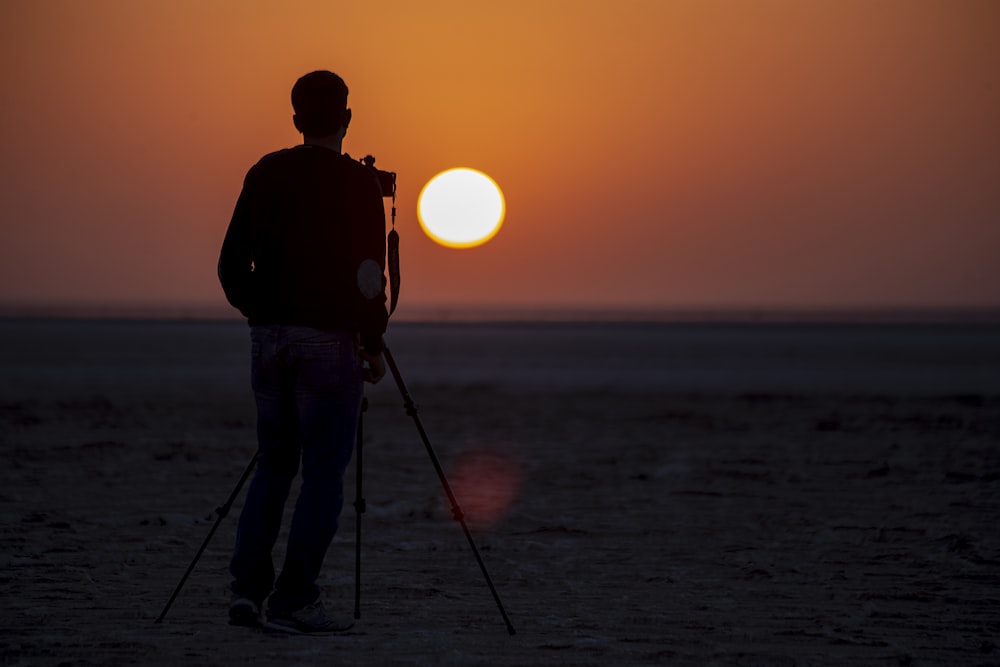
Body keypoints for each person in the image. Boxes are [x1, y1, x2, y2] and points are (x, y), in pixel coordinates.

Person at [218, 70, 389, 634]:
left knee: (273, 465)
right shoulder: (358, 186)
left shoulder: (265, 172)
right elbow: (369, 278)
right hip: (328, 344)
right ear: (346, 118)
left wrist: (260, 313)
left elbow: (229, 266)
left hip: (269, 342)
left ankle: (247, 590)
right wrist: (371, 341)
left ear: (295, 119)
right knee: (321, 474)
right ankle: (294, 599)